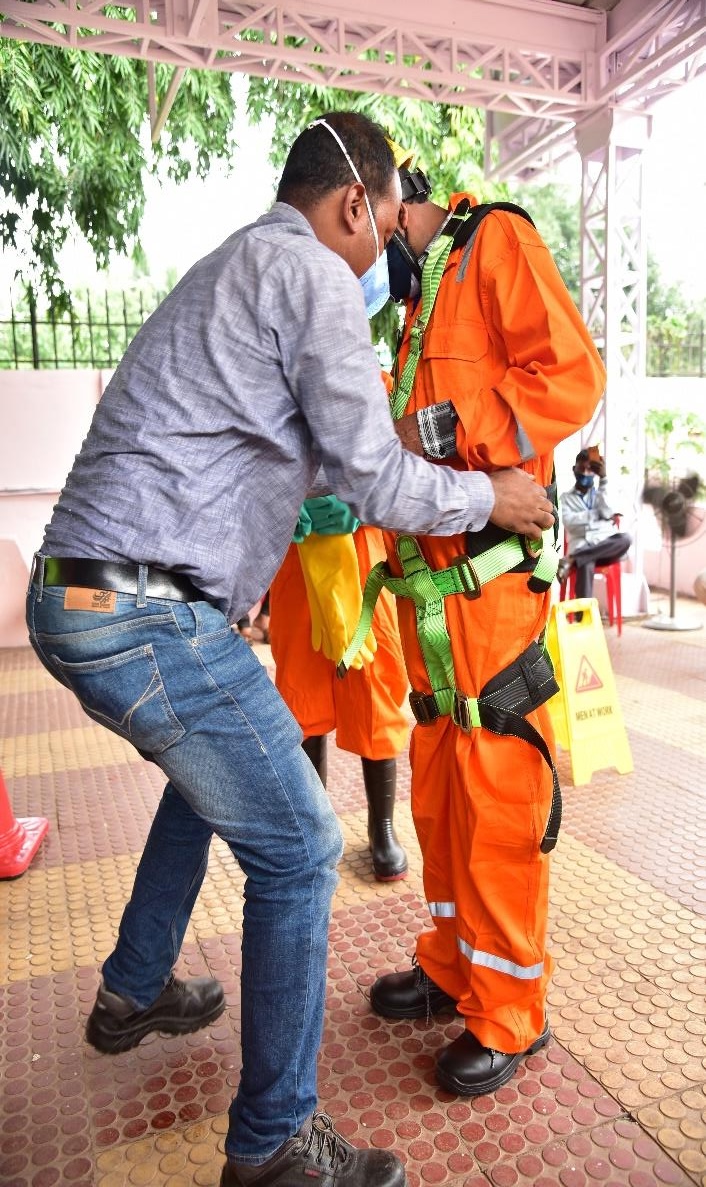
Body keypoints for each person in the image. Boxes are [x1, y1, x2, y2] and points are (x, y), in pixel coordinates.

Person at [25, 111, 556, 1187]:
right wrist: (490, 489)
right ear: (354, 204)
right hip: (144, 610)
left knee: (214, 777)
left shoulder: (235, 264)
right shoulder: (313, 271)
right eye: (385, 225)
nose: (387, 256)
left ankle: (134, 985)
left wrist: (398, 439)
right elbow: (376, 482)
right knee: (301, 848)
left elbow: (308, 456)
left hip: (78, 594)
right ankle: (272, 1139)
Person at [362, 150, 606, 1096]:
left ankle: (511, 1009)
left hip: (492, 595)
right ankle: (454, 964)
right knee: (442, 790)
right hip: (428, 602)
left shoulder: (494, 240)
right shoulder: (416, 305)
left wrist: (446, 436)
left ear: (385, 207)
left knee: (498, 785)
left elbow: (573, 377)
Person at [269, 499, 410, 882]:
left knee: (375, 686)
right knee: (301, 693)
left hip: (363, 549)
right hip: (295, 554)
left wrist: (365, 502)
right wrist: (277, 500)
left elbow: (403, 453)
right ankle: (316, 829)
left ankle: (381, 826)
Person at [559, 449, 631, 598]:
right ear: (574, 469)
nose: (585, 473)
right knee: (586, 562)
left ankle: (572, 559)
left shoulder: (602, 492)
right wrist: (596, 515)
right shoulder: (565, 498)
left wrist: (604, 479)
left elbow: (607, 511)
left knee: (626, 538)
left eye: (589, 469)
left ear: (595, 472)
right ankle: (583, 617)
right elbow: (570, 523)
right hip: (582, 545)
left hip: (606, 548)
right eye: (581, 468)